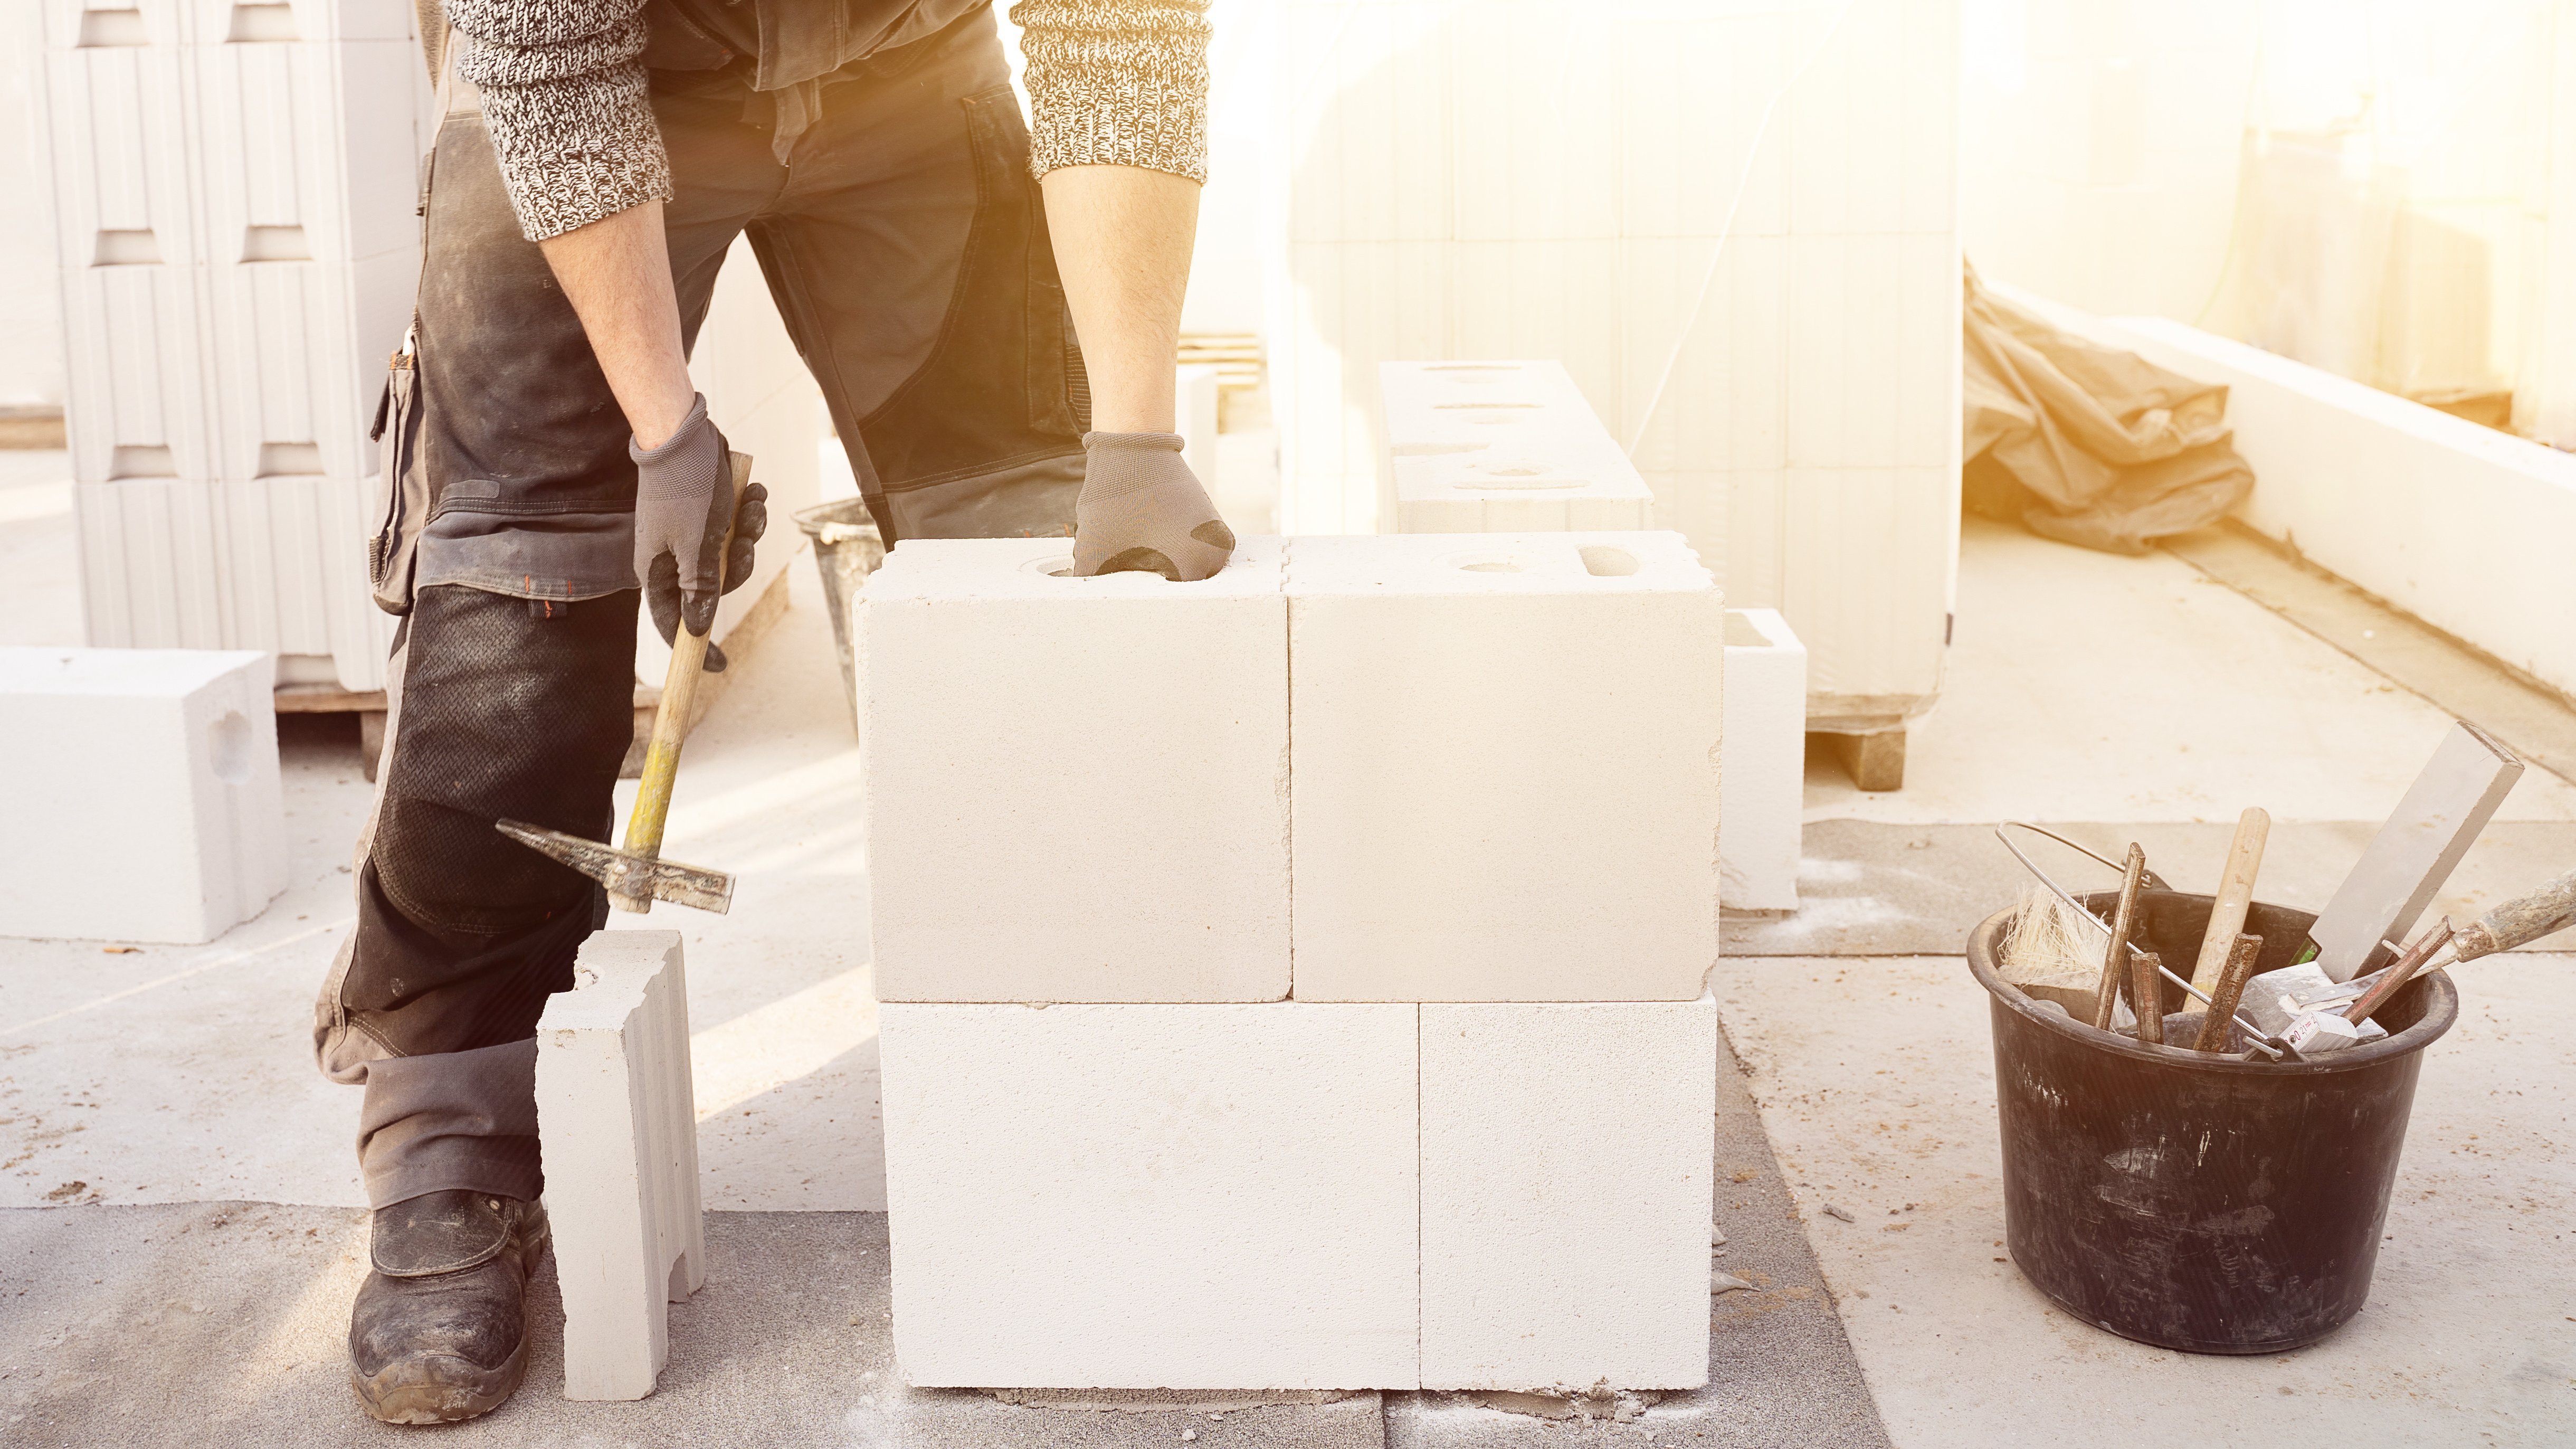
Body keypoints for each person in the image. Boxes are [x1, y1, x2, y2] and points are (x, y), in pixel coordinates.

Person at [313, 0, 1230, 1422]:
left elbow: (1118, 37)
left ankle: (1066, 1044)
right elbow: (553, 70)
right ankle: (452, 1130)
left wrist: (1132, 435)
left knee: (1024, 552)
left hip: (913, 85)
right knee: (521, 594)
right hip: (591, 85)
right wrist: (665, 432)